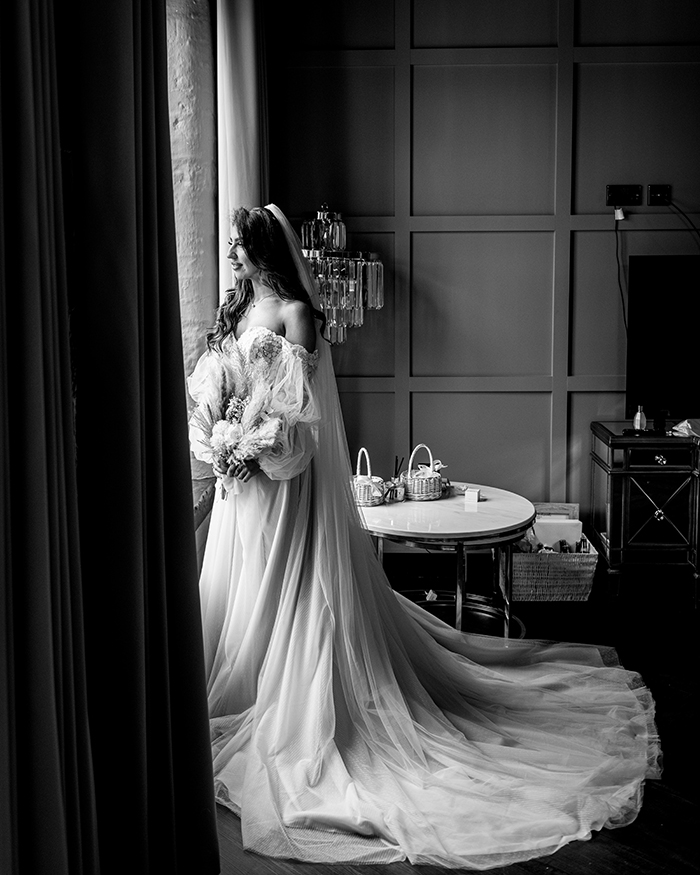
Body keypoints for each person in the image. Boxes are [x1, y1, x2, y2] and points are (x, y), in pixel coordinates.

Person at [187, 204, 661, 870]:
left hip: (283, 483)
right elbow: (226, 391)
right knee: (241, 592)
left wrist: (256, 446)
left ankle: (293, 707)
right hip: (245, 492)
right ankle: (241, 691)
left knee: (290, 598)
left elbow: (303, 418)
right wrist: (223, 442)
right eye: (231, 244)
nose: (232, 254)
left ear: (264, 247)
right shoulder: (236, 315)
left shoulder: (295, 313)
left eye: (238, 243)